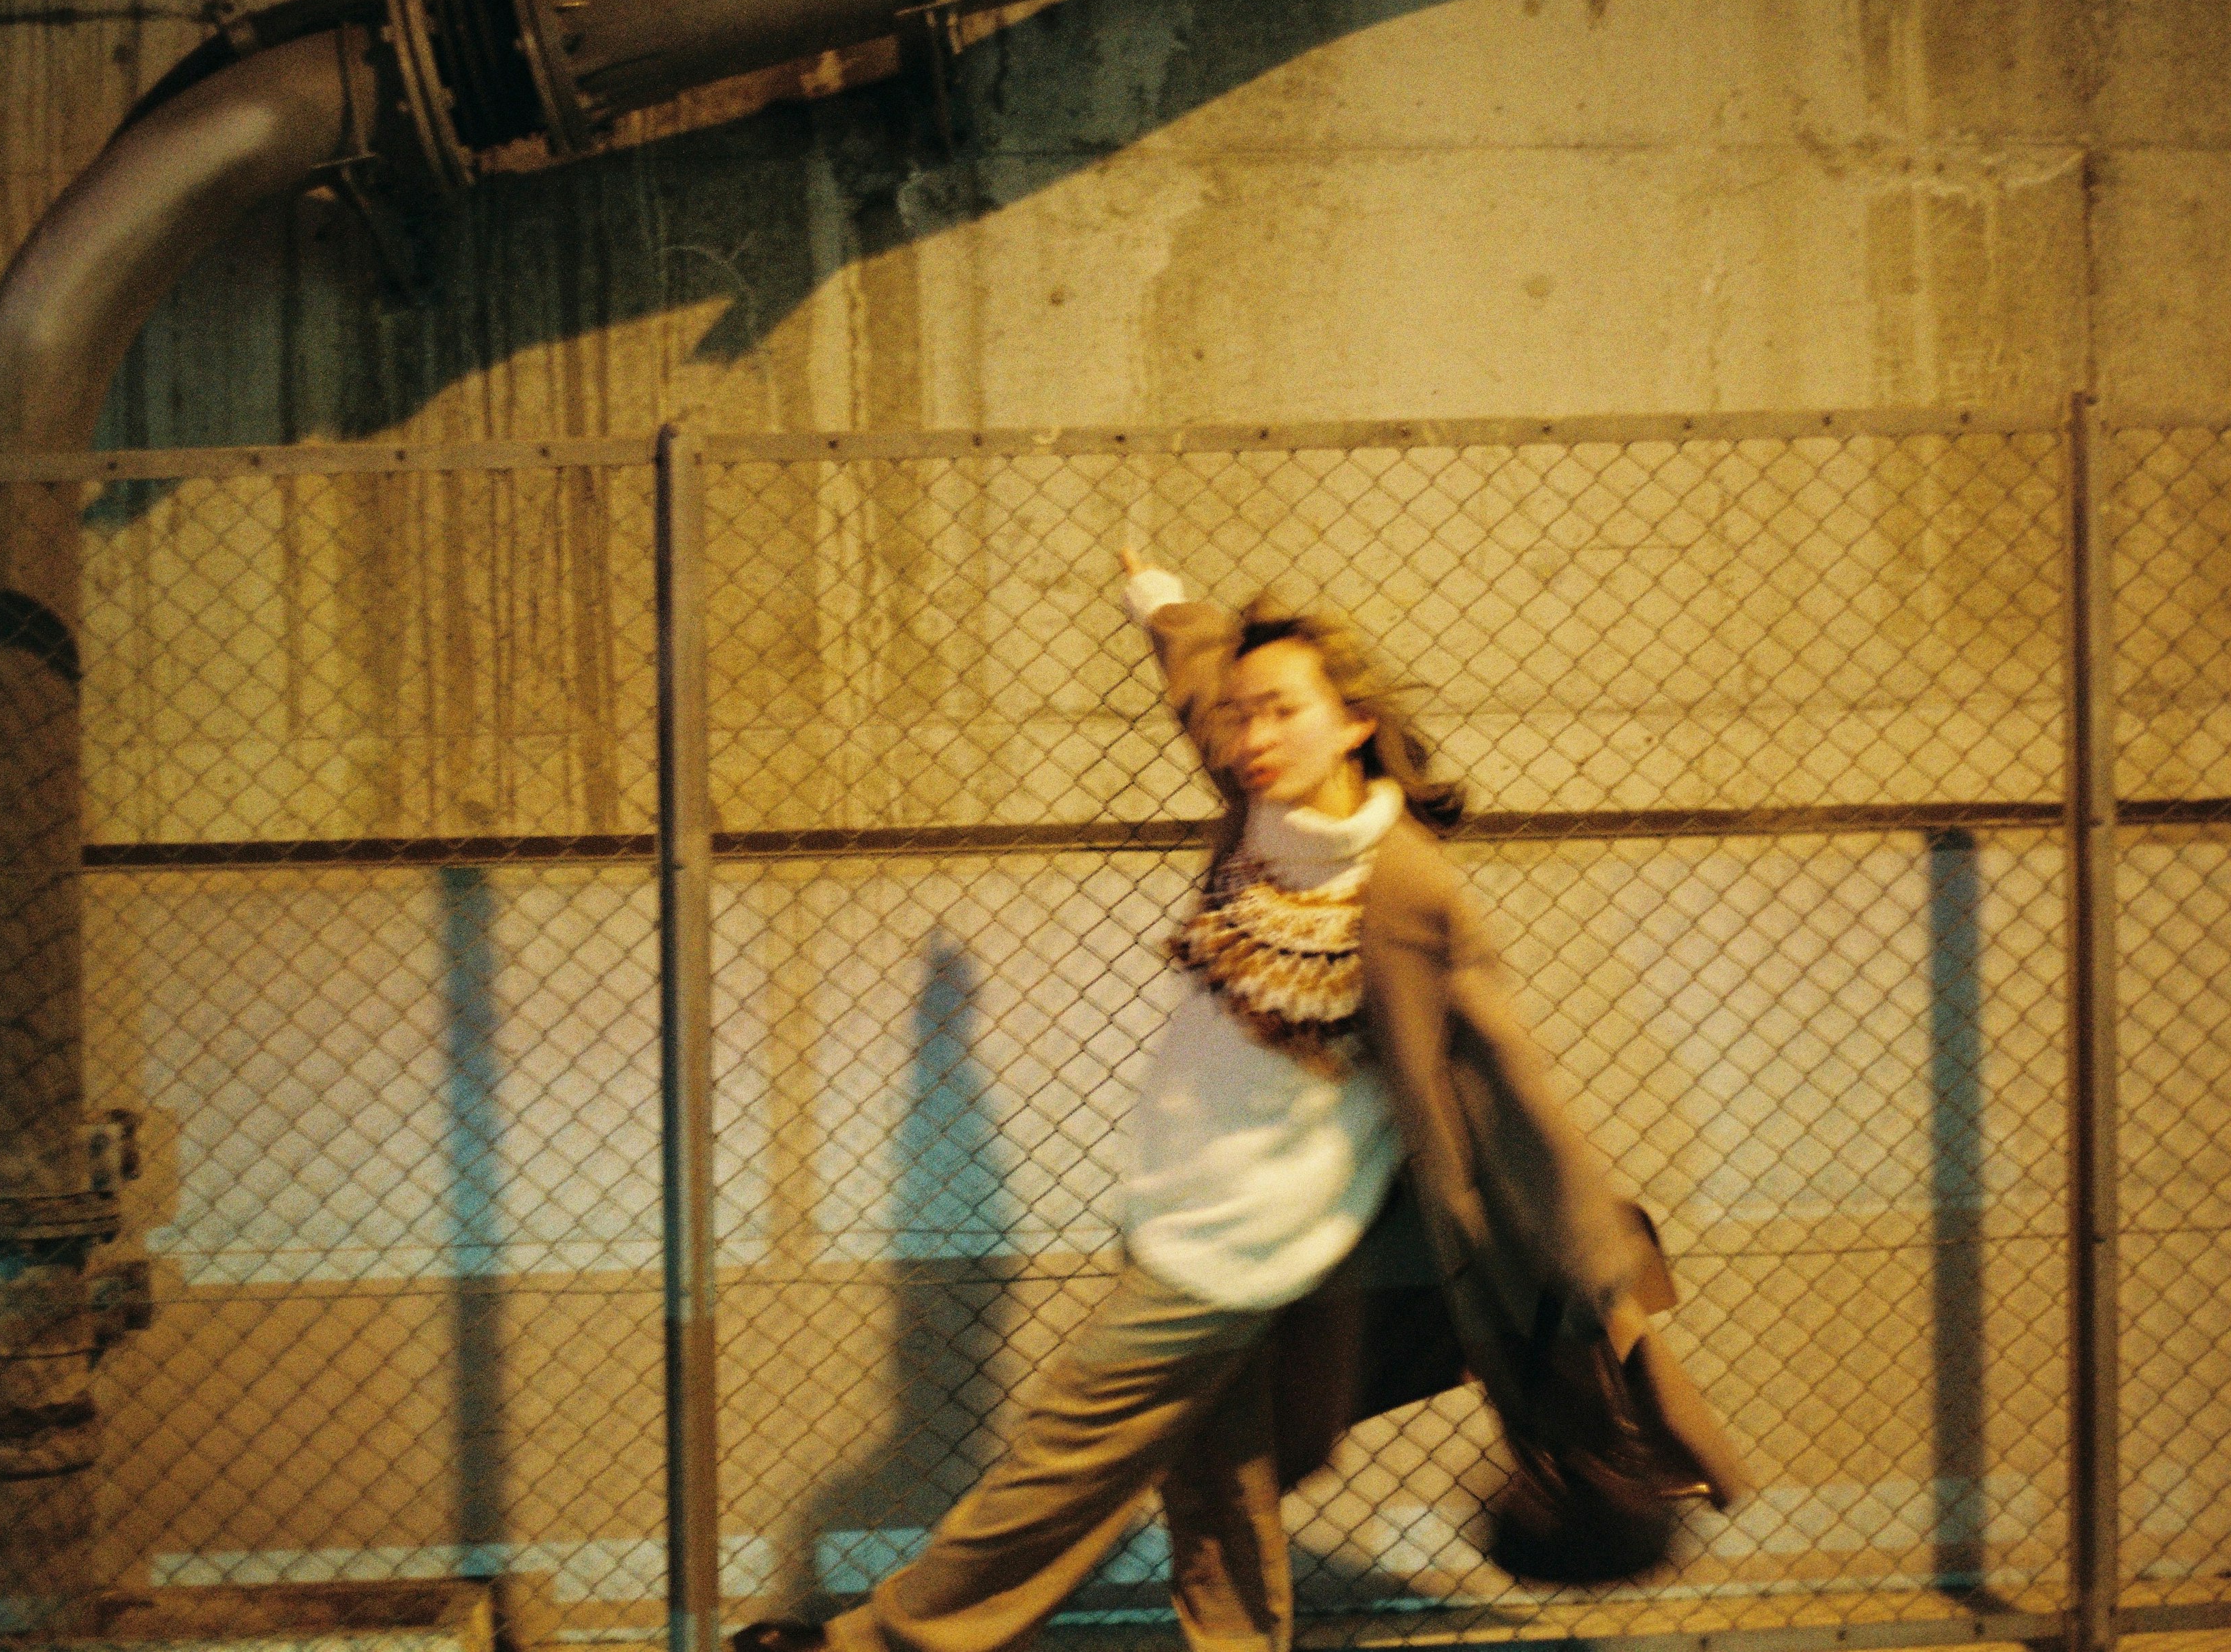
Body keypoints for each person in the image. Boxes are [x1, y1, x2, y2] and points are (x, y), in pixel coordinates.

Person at [733, 555, 1747, 1652]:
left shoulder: (1405, 889)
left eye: (1284, 712)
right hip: (1184, 1206)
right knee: (1219, 1474)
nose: (1254, 733)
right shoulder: (1260, 808)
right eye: (1245, 715)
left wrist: (1587, 1255)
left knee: (1062, 1458)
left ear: (1352, 722)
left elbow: (1505, 1080)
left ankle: (875, 1644)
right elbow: (1203, 678)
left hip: (1247, 1244)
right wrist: (1160, 600)